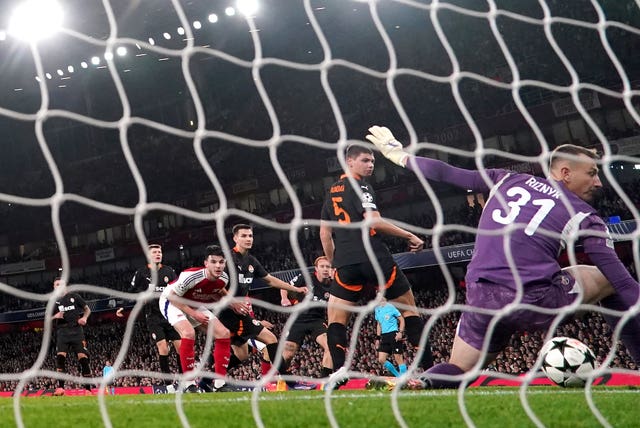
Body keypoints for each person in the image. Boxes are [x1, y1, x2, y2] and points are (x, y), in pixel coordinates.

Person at [366, 126, 640, 388]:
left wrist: (398, 155)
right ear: (566, 173)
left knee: (459, 370)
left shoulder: (506, 178)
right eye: (592, 173)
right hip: (533, 300)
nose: (599, 181)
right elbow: (622, 281)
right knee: (608, 280)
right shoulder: (584, 215)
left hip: (481, 299)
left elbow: (447, 173)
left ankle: (421, 381)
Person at [319, 144, 434, 388]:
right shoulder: (361, 186)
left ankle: (339, 372)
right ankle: (432, 370)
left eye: (372, 161)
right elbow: (374, 221)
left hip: (347, 263)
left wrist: (333, 262)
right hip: (374, 257)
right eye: (365, 160)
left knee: (336, 320)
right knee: (410, 311)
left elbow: (324, 233)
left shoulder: (331, 192)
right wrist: (409, 236)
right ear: (349, 162)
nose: (370, 165)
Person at [205, 223, 308, 388]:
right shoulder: (227, 259)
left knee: (242, 355)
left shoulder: (251, 261)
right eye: (244, 236)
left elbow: (269, 279)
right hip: (226, 313)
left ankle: (208, 378)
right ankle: (290, 382)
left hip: (240, 313)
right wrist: (232, 303)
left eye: (250, 236)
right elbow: (215, 284)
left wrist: (294, 289)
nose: (248, 239)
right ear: (235, 238)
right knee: (271, 339)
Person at [159, 244, 241, 392]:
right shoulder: (191, 276)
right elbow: (173, 297)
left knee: (223, 333)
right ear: (206, 263)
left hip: (193, 303)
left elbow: (219, 288)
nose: (218, 266)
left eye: (221, 262)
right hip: (171, 301)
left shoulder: (224, 278)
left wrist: (233, 303)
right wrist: (194, 314)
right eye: (214, 262)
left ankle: (219, 383)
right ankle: (189, 383)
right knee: (189, 333)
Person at [117, 244, 181, 391]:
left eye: (160, 252)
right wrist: (123, 306)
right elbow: (132, 291)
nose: (158, 254)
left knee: (181, 348)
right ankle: (169, 384)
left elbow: (178, 290)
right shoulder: (141, 273)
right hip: (153, 317)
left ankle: (185, 382)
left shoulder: (169, 271)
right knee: (163, 348)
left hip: (170, 315)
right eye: (154, 252)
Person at [279, 256, 334, 387]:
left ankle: (324, 381)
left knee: (330, 345)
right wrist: (284, 299)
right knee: (287, 354)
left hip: (317, 320)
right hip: (298, 319)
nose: (325, 269)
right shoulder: (306, 277)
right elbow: (284, 287)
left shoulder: (334, 285)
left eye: (328, 267)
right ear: (316, 269)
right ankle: (282, 379)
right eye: (322, 266)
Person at [51, 278, 92, 396]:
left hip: (76, 331)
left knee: (83, 359)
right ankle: (60, 388)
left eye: (59, 284)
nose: (57, 287)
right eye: (55, 285)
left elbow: (87, 309)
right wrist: (55, 317)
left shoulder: (75, 297)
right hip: (62, 332)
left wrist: (84, 318)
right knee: (60, 358)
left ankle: (88, 390)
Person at [374, 298, 407, 377]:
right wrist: (378, 338)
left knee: (398, 358)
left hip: (393, 334)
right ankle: (398, 377)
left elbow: (401, 319)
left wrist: (400, 332)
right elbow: (379, 324)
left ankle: (405, 379)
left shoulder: (391, 307)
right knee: (381, 359)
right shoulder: (377, 309)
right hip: (384, 336)